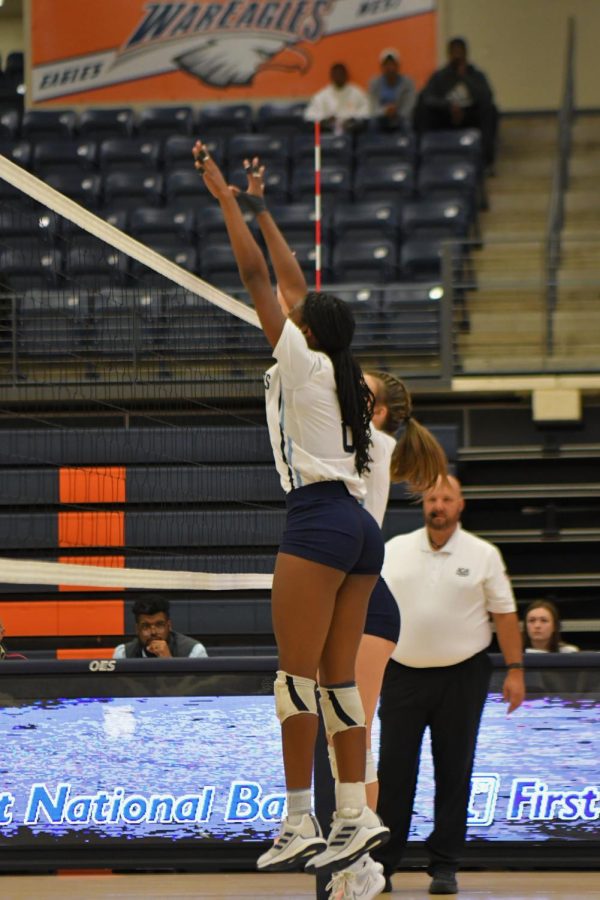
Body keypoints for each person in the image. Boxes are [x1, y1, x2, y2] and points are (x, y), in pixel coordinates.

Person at [192, 142, 445, 881]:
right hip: (360, 536)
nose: (290, 313)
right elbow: (294, 286)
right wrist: (265, 207)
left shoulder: (303, 365)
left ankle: (300, 816)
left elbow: (259, 281)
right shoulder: (342, 379)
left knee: (294, 680)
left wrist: (227, 201)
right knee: (335, 686)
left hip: (319, 522)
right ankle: (352, 817)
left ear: (308, 332)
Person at [327, 371, 447, 900]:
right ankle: (357, 858)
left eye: (360, 387)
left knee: (355, 735)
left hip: (366, 602)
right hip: (339, 596)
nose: (347, 386)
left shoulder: (374, 443)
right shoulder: (356, 438)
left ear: (374, 411)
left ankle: (361, 862)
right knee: (338, 736)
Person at [373, 475, 525, 895]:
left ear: (461, 505)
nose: (438, 504)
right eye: (432, 498)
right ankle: (383, 865)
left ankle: (445, 866)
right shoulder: (394, 549)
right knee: (394, 773)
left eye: (447, 498)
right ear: (424, 505)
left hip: (463, 674)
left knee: (454, 771)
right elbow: (369, 604)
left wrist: (515, 669)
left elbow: (506, 615)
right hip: (401, 673)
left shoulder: (483, 554)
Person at [414, 36, 498, 168]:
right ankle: (420, 157)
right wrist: (448, 107)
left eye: (460, 52)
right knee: (422, 108)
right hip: (446, 117)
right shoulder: (440, 76)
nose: (457, 55)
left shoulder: (476, 75)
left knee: (490, 110)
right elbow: (427, 97)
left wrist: (464, 77)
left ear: (466, 53)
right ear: (449, 54)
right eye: (454, 52)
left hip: (469, 117)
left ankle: (486, 160)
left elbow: (486, 96)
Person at [112, 596, 208, 659]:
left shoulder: (193, 652)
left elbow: (201, 689)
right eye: (146, 626)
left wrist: (169, 662)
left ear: (169, 626)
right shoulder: (123, 654)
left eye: (159, 625)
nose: (153, 632)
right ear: (137, 629)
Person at [304, 62, 370, 134]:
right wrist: (325, 119)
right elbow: (310, 115)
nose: (339, 76)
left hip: (352, 132)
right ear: (331, 76)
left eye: (341, 74)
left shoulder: (356, 93)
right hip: (328, 133)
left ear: (346, 75)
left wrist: (352, 119)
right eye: (336, 74)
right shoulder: (322, 95)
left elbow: (366, 111)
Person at [368, 48, 416, 132]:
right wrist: (384, 111)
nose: (390, 67)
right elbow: (373, 106)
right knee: (372, 124)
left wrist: (396, 112)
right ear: (382, 67)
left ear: (398, 66)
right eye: (386, 64)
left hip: (401, 117)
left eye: (393, 64)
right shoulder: (374, 83)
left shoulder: (408, 83)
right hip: (381, 118)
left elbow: (410, 105)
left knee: (408, 124)